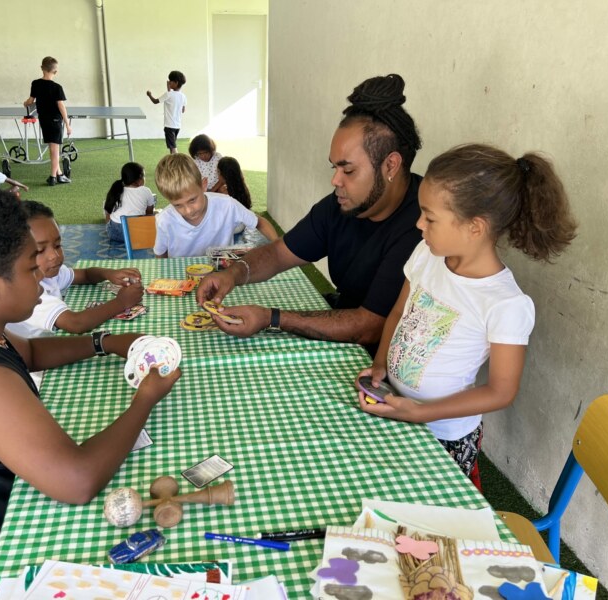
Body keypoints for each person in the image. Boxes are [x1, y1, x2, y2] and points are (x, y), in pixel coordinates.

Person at [0, 186, 180, 589]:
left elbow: (31, 352)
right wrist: (145, 400)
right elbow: (78, 482)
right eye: (30, 270)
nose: (41, 281)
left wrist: (104, 342)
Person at [357, 143, 577, 485]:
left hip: (443, 437)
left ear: (475, 227)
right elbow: (400, 311)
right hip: (397, 407)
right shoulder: (426, 255)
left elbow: (500, 391)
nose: (419, 224)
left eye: (430, 217)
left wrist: (422, 412)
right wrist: (381, 363)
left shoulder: (505, 304)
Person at [196, 74, 423, 351]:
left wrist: (271, 318)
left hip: (386, 357)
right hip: (345, 331)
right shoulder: (340, 205)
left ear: (391, 165)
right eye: (334, 168)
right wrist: (233, 274)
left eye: (348, 170)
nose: (335, 180)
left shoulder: (424, 224)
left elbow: (369, 326)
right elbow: (279, 253)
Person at [7, 201, 145, 338]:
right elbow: (76, 323)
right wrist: (121, 302)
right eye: (40, 250)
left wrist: (108, 274)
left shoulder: (48, 274)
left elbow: (85, 275)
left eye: (57, 245)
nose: (54, 255)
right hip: (37, 349)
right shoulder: (26, 293)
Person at [152, 154, 278, 258]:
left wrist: (278, 248)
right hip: (182, 276)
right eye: (178, 205)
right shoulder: (164, 220)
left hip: (222, 272)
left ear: (203, 185)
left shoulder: (227, 205)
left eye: (192, 200)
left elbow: (260, 222)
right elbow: (161, 254)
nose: (188, 211)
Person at [24, 56, 72, 186]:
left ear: (42, 68)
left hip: (43, 120)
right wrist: (67, 124)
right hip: (55, 120)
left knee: (52, 148)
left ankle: (59, 174)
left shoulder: (35, 83)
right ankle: (52, 177)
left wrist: (25, 103)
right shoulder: (57, 87)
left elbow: (30, 101)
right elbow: (61, 106)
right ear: (55, 71)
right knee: (55, 150)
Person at [103, 162, 156, 244]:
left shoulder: (117, 190)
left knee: (106, 205)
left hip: (114, 233)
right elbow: (149, 214)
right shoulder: (146, 191)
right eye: (144, 176)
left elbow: (108, 211)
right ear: (139, 179)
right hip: (138, 234)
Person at [146, 70, 187, 154]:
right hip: (177, 126)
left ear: (176, 82)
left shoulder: (168, 94)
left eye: (171, 81)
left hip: (169, 126)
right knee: (172, 146)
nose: (169, 82)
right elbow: (183, 110)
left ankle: (177, 161)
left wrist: (149, 95)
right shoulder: (183, 96)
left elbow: (155, 101)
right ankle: (173, 161)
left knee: (173, 148)